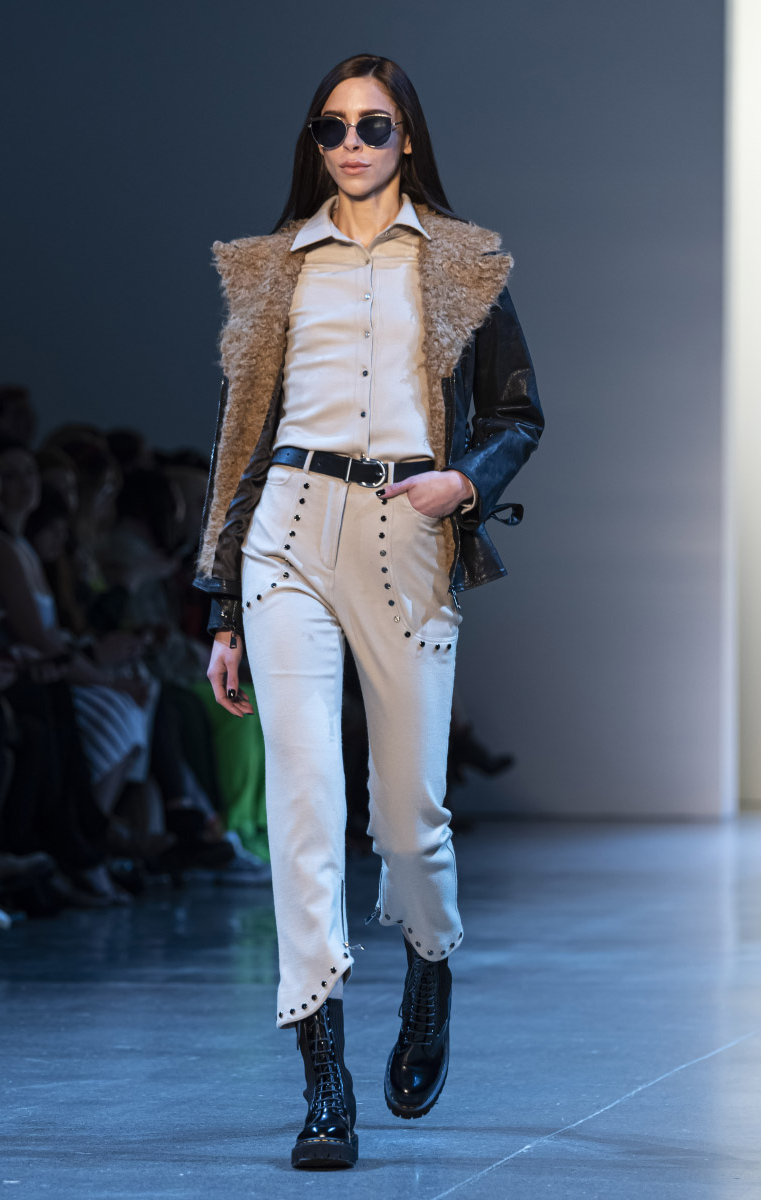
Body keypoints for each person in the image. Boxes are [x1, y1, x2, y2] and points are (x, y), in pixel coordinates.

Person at [195, 53, 544, 1169]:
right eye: (331, 127)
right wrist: (223, 605)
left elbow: (519, 412)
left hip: (406, 531)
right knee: (304, 810)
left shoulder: (462, 259)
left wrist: (465, 481)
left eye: (373, 125)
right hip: (286, 532)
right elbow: (239, 441)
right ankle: (322, 1082)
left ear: (408, 138)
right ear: (313, 142)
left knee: (407, 816)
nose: (351, 144)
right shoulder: (270, 268)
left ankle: (429, 966)